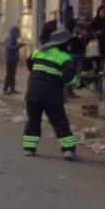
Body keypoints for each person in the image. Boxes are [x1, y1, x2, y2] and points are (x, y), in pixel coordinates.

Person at [23, 28, 80, 160]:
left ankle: (29, 148)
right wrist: (79, 83)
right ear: (64, 44)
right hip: (52, 96)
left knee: (33, 121)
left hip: (33, 93)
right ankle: (68, 150)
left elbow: (29, 64)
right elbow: (70, 80)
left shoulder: (38, 51)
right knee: (60, 122)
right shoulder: (64, 57)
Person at [88, 4, 105, 74]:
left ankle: (101, 72)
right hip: (96, 44)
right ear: (99, 12)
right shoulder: (95, 21)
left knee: (103, 59)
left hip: (104, 44)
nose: (104, 13)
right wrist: (96, 33)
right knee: (97, 59)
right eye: (103, 11)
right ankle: (98, 71)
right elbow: (90, 31)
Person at [3, 25, 23, 95]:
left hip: (13, 58)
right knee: (9, 74)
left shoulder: (14, 38)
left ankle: (12, 88)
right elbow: (9, 47)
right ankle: (5, 89)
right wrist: (18, 46)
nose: (19, 34)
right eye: (18, 32)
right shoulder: (11, 38)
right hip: (10, 59)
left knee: (13, 74)